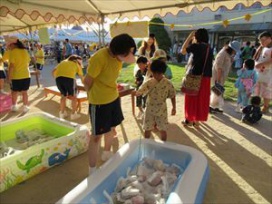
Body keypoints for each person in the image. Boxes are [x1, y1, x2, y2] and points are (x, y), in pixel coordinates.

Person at [83, 33, 136, 174]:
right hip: (99, 103)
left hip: (113, 98)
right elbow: (87, 81)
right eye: (127, 52)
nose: (129, 55)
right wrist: (93, 96)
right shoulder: (99, 58)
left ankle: (106, 153)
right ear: (117, 50)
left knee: (112, 129)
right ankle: (92, 170)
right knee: (96, 137)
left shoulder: (118, 58)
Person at [135, 59, 176, 141]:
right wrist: (146, 77)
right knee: (147, 128)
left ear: (163, 72)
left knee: (163, 129)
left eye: (159, 73)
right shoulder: (149, 82)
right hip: (150, 109)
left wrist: (174, 107)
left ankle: (163, 145)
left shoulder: (168, 83)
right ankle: (146, 144)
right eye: (154, 73)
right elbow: (139, 92)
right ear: (151, 72)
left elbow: (172, 95)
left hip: (162, 110)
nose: (157, 76)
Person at [180, 28, 213, 127]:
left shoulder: (196, 46)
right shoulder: (208, 47)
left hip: (195, 76)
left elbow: (183, 51)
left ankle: (189, 120)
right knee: (201, 99)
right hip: (206, 77)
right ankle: (197, 120)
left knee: (191, 98)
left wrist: (190, 36)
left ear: (196, 36)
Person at [210, 40, 241, 113]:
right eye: (234, 50)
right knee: (215, 91)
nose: (235, 52)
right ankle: (211, 106)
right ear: (231, 48)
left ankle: (215, 106)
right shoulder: (222, 53)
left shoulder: (228, 54)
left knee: (218, 92)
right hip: (217, 75)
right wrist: (218, 79)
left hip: (221, 76)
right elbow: (219, 67)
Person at [52, 55, 84, 120]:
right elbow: (81, 77)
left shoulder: (63, 62)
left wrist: (58, 78)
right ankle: (73, 114)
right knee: (74, 97)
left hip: (58, 79)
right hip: (69, 80)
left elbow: (53, 71)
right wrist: (84, 84)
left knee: (63, 96)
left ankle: (62, 113)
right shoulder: (76, 64)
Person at [7, 37, 31, 113]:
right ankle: (25, 107)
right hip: (26, 75)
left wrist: (9, 77)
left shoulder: (13, 52)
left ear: (13, 44)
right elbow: (28, 63)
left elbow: (11, 66)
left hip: (16, 76)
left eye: (9, 45)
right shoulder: (25, 51)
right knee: (25, 92)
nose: (9, 47)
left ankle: (14, 106)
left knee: (14, 92)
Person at [253, 31, 272, 114]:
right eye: (260, 41)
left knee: (267, 89)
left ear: (269, 39)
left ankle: (265, 106)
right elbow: (255, 57)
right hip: (259, 72)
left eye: (263, 40)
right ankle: (255, 105)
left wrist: (262, 64)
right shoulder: (261, 47)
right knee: (257, 88)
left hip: (269, 73)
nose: (261, 42)